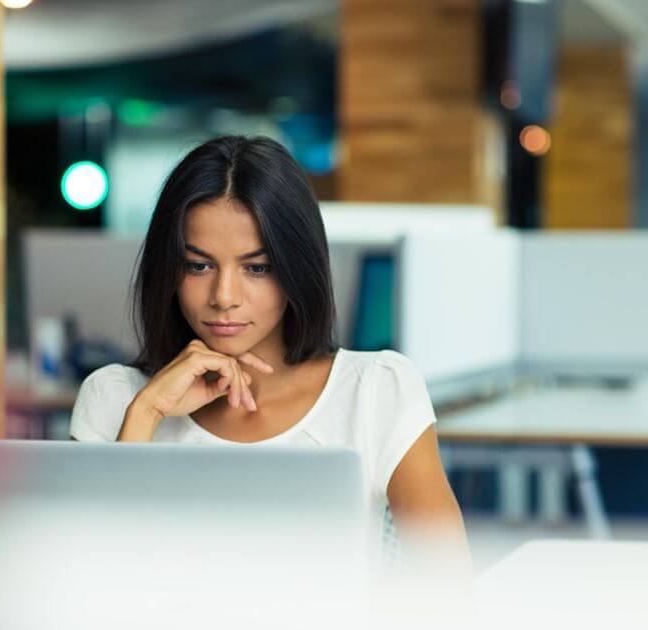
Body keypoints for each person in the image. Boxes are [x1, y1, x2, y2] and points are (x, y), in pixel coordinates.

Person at [69, 135, 472, 580]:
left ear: (296, 268)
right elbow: (89, 588)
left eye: (256, 268)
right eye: (198, 265)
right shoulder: (113, 399)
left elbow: (448, 593)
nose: (223, 297)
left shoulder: (377, 390)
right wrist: (147, 413)